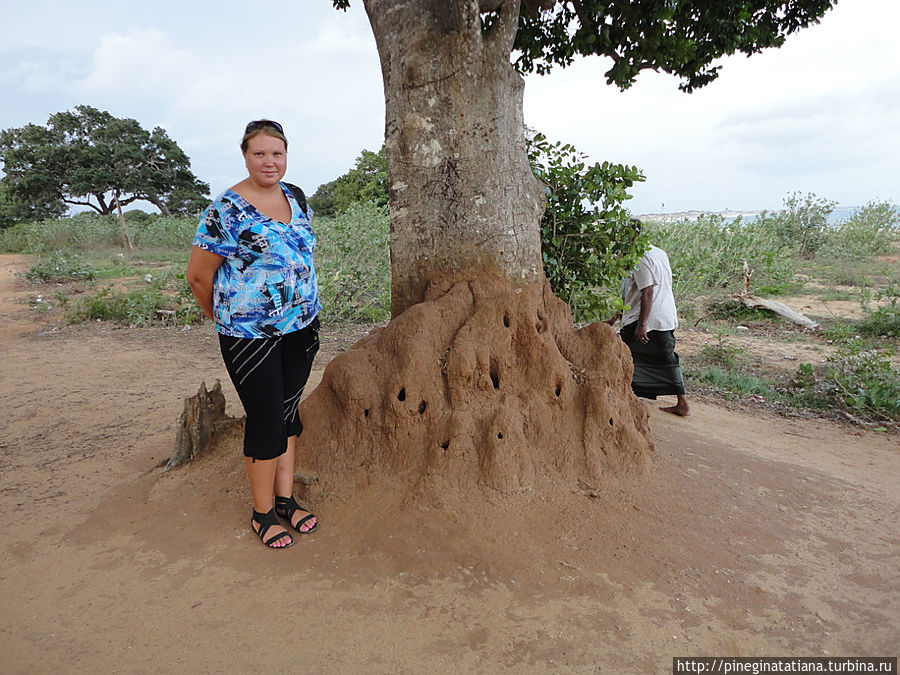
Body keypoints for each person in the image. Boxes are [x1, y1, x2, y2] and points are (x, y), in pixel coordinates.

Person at [186, 119, 320, 549]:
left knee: (288, 416)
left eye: (277, 153)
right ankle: (262, 513)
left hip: (301, 327)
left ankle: (286, 500)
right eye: (260, 153)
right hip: (250, 337)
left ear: (286, 156)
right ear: (245, 156)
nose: (269, 161)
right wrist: (226, 319)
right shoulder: (225, 211)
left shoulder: (295, 197)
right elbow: (198, 277)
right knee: (265, 422)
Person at [611, 223, 690, 416]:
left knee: (627, 355)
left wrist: (642, 325)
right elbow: (633, 291)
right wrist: (615, 317)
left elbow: (647, 291)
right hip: (664, 315)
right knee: (666, 358)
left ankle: (627, 399)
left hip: (648, 318)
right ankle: (681, 403)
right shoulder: (658, 252)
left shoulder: (638, 256)